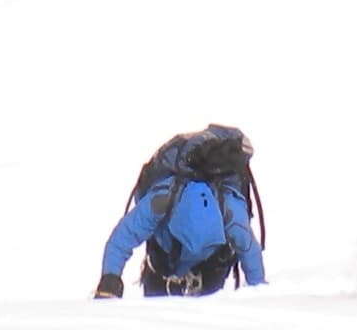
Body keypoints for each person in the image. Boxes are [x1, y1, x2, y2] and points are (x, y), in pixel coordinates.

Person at [94, 125, 267, 297]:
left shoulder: (230, 211)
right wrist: (110, 278)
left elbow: (122, 238)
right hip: (167, 269)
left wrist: (110, 276)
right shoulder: (162, 200)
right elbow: (123, 238)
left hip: (202, 270)